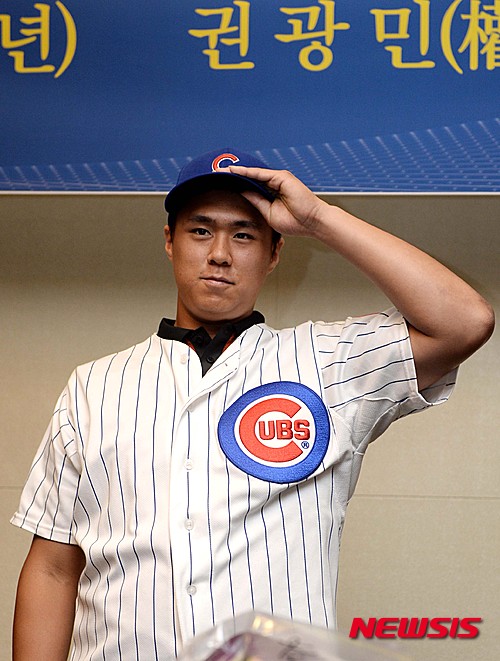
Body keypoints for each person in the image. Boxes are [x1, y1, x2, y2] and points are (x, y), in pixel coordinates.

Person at [11, 148, 494, 660]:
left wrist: (319, 218)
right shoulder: (94, 385)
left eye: (243, 235)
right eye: (201, 231)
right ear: (170, 241)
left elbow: (466, 322)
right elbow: (53, 567)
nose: (220, 254)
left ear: (275, 251)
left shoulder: (327, 364)